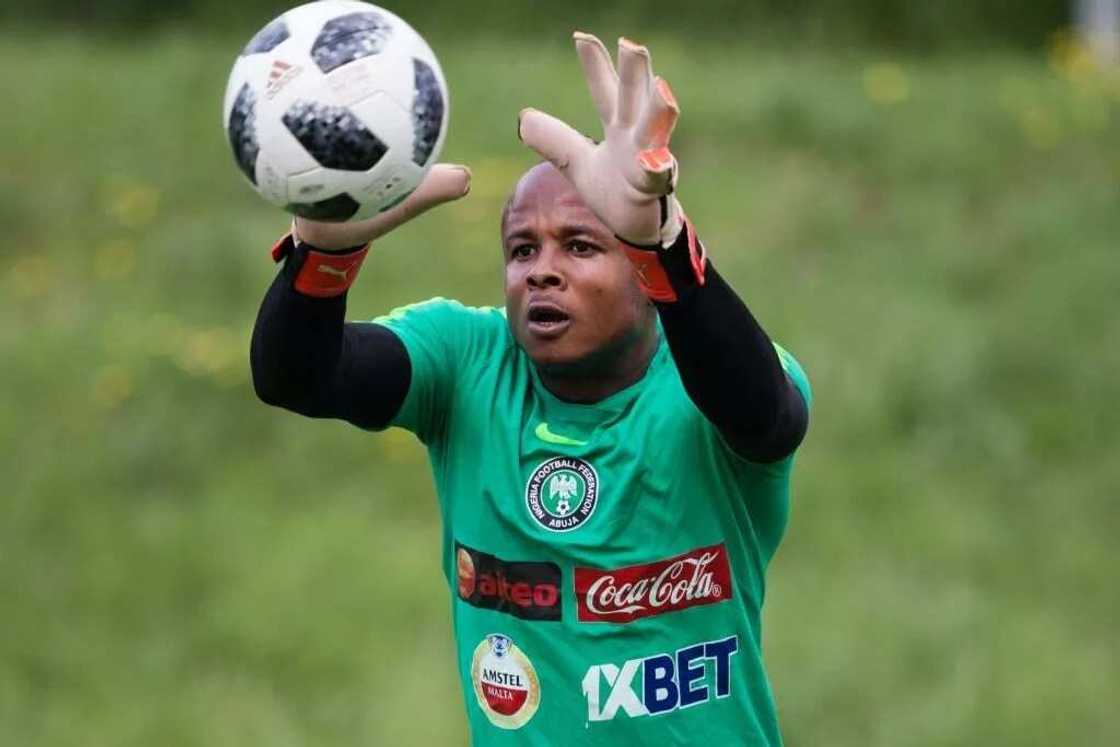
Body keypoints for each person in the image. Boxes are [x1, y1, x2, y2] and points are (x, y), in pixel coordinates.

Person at [251, 32, 810, 746]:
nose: (542, 270)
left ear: (642, 274)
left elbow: (765, 412)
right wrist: (322, 255)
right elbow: (296, 376)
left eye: (581, 245)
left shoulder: (713, 378)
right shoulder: (466, 360)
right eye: (522, 249)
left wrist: (664, 243)